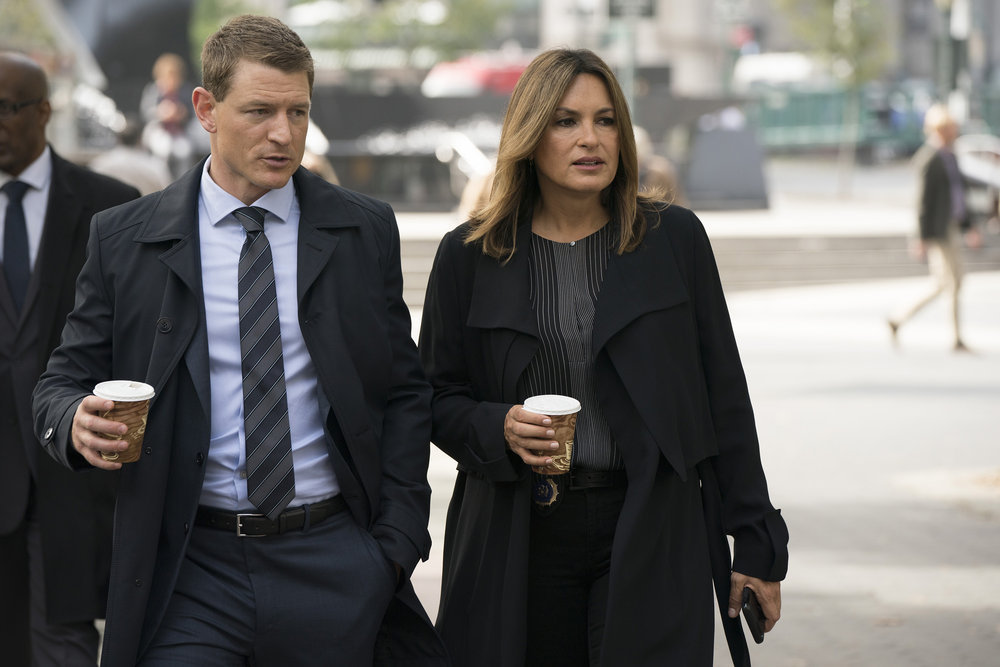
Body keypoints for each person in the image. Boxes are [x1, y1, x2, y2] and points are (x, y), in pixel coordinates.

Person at [33, 15, 446, 667]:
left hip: (334, 562)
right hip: (191, 568)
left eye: (298, 112)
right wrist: (74, 421)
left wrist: (394, 546)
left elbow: (403, 391)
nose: (283, 133)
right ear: (206, 108)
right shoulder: (124, 238)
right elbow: (59, 383)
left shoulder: (363, 230)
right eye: (259, 111)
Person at [419, 48, 788, 666]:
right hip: (518, 533)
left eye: (606, 120)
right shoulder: (469, 254)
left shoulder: (675, 240)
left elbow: (724, 395)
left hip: (650, 526)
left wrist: (756, 543)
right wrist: (498, 426)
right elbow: (433, 397)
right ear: (529, 135)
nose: (590, 139)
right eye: (566, 121)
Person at [0, 51, 139, 666]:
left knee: (65, 645)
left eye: (6, 108)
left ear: (44, 111)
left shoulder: (111, 207)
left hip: (72, 479)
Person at [888, 103, 981, 352]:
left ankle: (899, 318)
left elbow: (960, 194)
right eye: (951, 129)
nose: (955, 133)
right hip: (939, 230)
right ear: (940, 130)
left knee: (945, 283)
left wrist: (970, 226)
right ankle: (955, 337)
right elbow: (923, 201)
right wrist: (920, 237)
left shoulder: (950, 156)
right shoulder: (929, 158)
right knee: (952, 282)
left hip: (952, 225)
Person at [139, 52, 197, 178]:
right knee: (163, 151)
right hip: (158, 131)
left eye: (174, 77)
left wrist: (181, 114)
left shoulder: (185, 91)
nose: (171, 81)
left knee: (184, 151)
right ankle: (160, 183)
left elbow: (192, 114)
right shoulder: (154, 90)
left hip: (179, 132)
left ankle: (184, 181)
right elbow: (145, 113)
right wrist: (160, 113)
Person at [88, 114, 173, 195]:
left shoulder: (100, 164)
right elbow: (168, 194)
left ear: (119, 138)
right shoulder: (155, 167)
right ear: (140, 138)